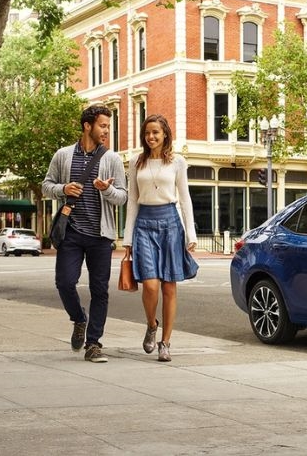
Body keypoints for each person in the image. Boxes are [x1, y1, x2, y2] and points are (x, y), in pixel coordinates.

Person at [42, 105, 128, 363]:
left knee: (99, 290)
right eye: (102, 126)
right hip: (72, 232)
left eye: (108, 127)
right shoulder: (63, 155)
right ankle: (79, 319)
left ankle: (94, 343)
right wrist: (64, 188)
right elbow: (46, 185)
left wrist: (106, 190)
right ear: (87, 126)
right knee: (65, 282)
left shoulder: (111, 159)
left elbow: (122, 197)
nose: (106, 131)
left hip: (101, 236)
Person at [123, 114, 198, 362]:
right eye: (147, 133)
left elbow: (185, 197)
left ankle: (165, 342)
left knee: (169, 287)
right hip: (144, 222)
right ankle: (151, 324)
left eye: (155, 132)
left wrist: (191, 233)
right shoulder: (136, 162)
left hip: (171, 223)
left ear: (165, 134)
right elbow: (132, 200)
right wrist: (127, 239)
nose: (151, 137)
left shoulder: (177, 162)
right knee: (151, 284)